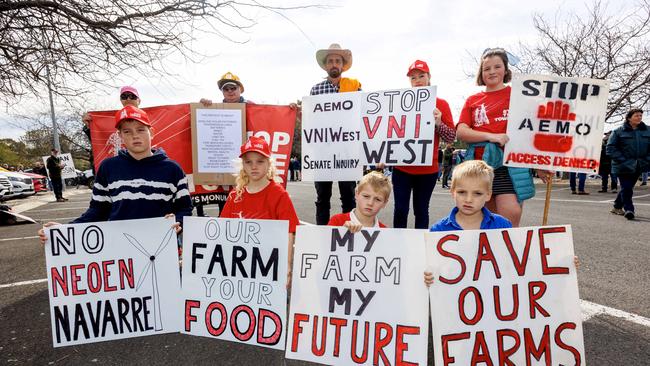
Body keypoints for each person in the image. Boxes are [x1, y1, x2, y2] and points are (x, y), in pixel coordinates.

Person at [38, 105, 192, 244]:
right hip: (119, 248)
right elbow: (98, 211)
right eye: (127, 131)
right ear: (120, 136)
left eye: (140, 129)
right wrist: (64, 230)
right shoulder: (108, 167)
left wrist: (178, 222)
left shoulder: (173, 169)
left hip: (161, 246)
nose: (135, 135)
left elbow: (185, 208)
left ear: (151, 132)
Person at [456, 47, 547, 227]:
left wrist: (539, 164)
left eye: (497, 67)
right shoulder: (472, 100)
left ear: (505, 70)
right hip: (480, 165)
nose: (491, 72)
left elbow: (531, 131)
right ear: (481, 73)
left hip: (510, 164)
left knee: (509, 214)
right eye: (486, 68)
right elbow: (461, 131)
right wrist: (491, 136)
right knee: (485, 218)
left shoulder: (519, 95)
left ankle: (509, 252)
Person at [220, 136, 299, 287]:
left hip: (268, 268)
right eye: (248, 162)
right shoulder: (234, 196)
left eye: (260, 161)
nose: (254, 166)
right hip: (239, 270)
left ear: (269, 163)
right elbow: (221, 231)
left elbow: (288, 233)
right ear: (243, 165)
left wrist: (287, 267)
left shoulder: (279, 194)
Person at [391, 60, 456, 229]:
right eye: (413, 78)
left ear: (429, 77)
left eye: (421, 76)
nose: (417, 80)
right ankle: (398, 248)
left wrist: (438, 123)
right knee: (400, 210)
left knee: (421, 210)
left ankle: (420, 246)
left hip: (427, 170)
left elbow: (451, 137)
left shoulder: (441, 104)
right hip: (402, 168)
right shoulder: (399, 102)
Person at [310, 43, 362, 225]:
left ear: (342, 65)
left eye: (337, 61)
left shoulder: (355, 88)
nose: (334, 64)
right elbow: (311, 120)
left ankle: (348, 235)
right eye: (330, 61)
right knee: (322, 198)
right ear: (325, 65)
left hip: (346, 151)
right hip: (323, 152)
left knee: (348, 197)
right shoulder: (316, 90)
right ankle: (322, 235)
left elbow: (363, 115)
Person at [82, 86, 142, 171]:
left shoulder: (151, 119)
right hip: (120, 169)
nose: (128, 99)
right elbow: (101, 141)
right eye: (124, 96)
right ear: (121, 100)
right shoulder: (113, 120)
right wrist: (89, 127)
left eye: (132, 96)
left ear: (139, 100)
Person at [606, 108, 650, 220]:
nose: (639, 117)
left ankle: (616, 206)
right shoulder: (618, 131)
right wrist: (623, 160)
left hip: (639, 165)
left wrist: (647, 159)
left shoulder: (647, 130)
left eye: (640, 115)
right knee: (627, 188)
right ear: (629, 118)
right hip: (622, 165)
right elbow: (610, 148)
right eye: (636, 115)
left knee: (627, 188)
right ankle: (629, 209)